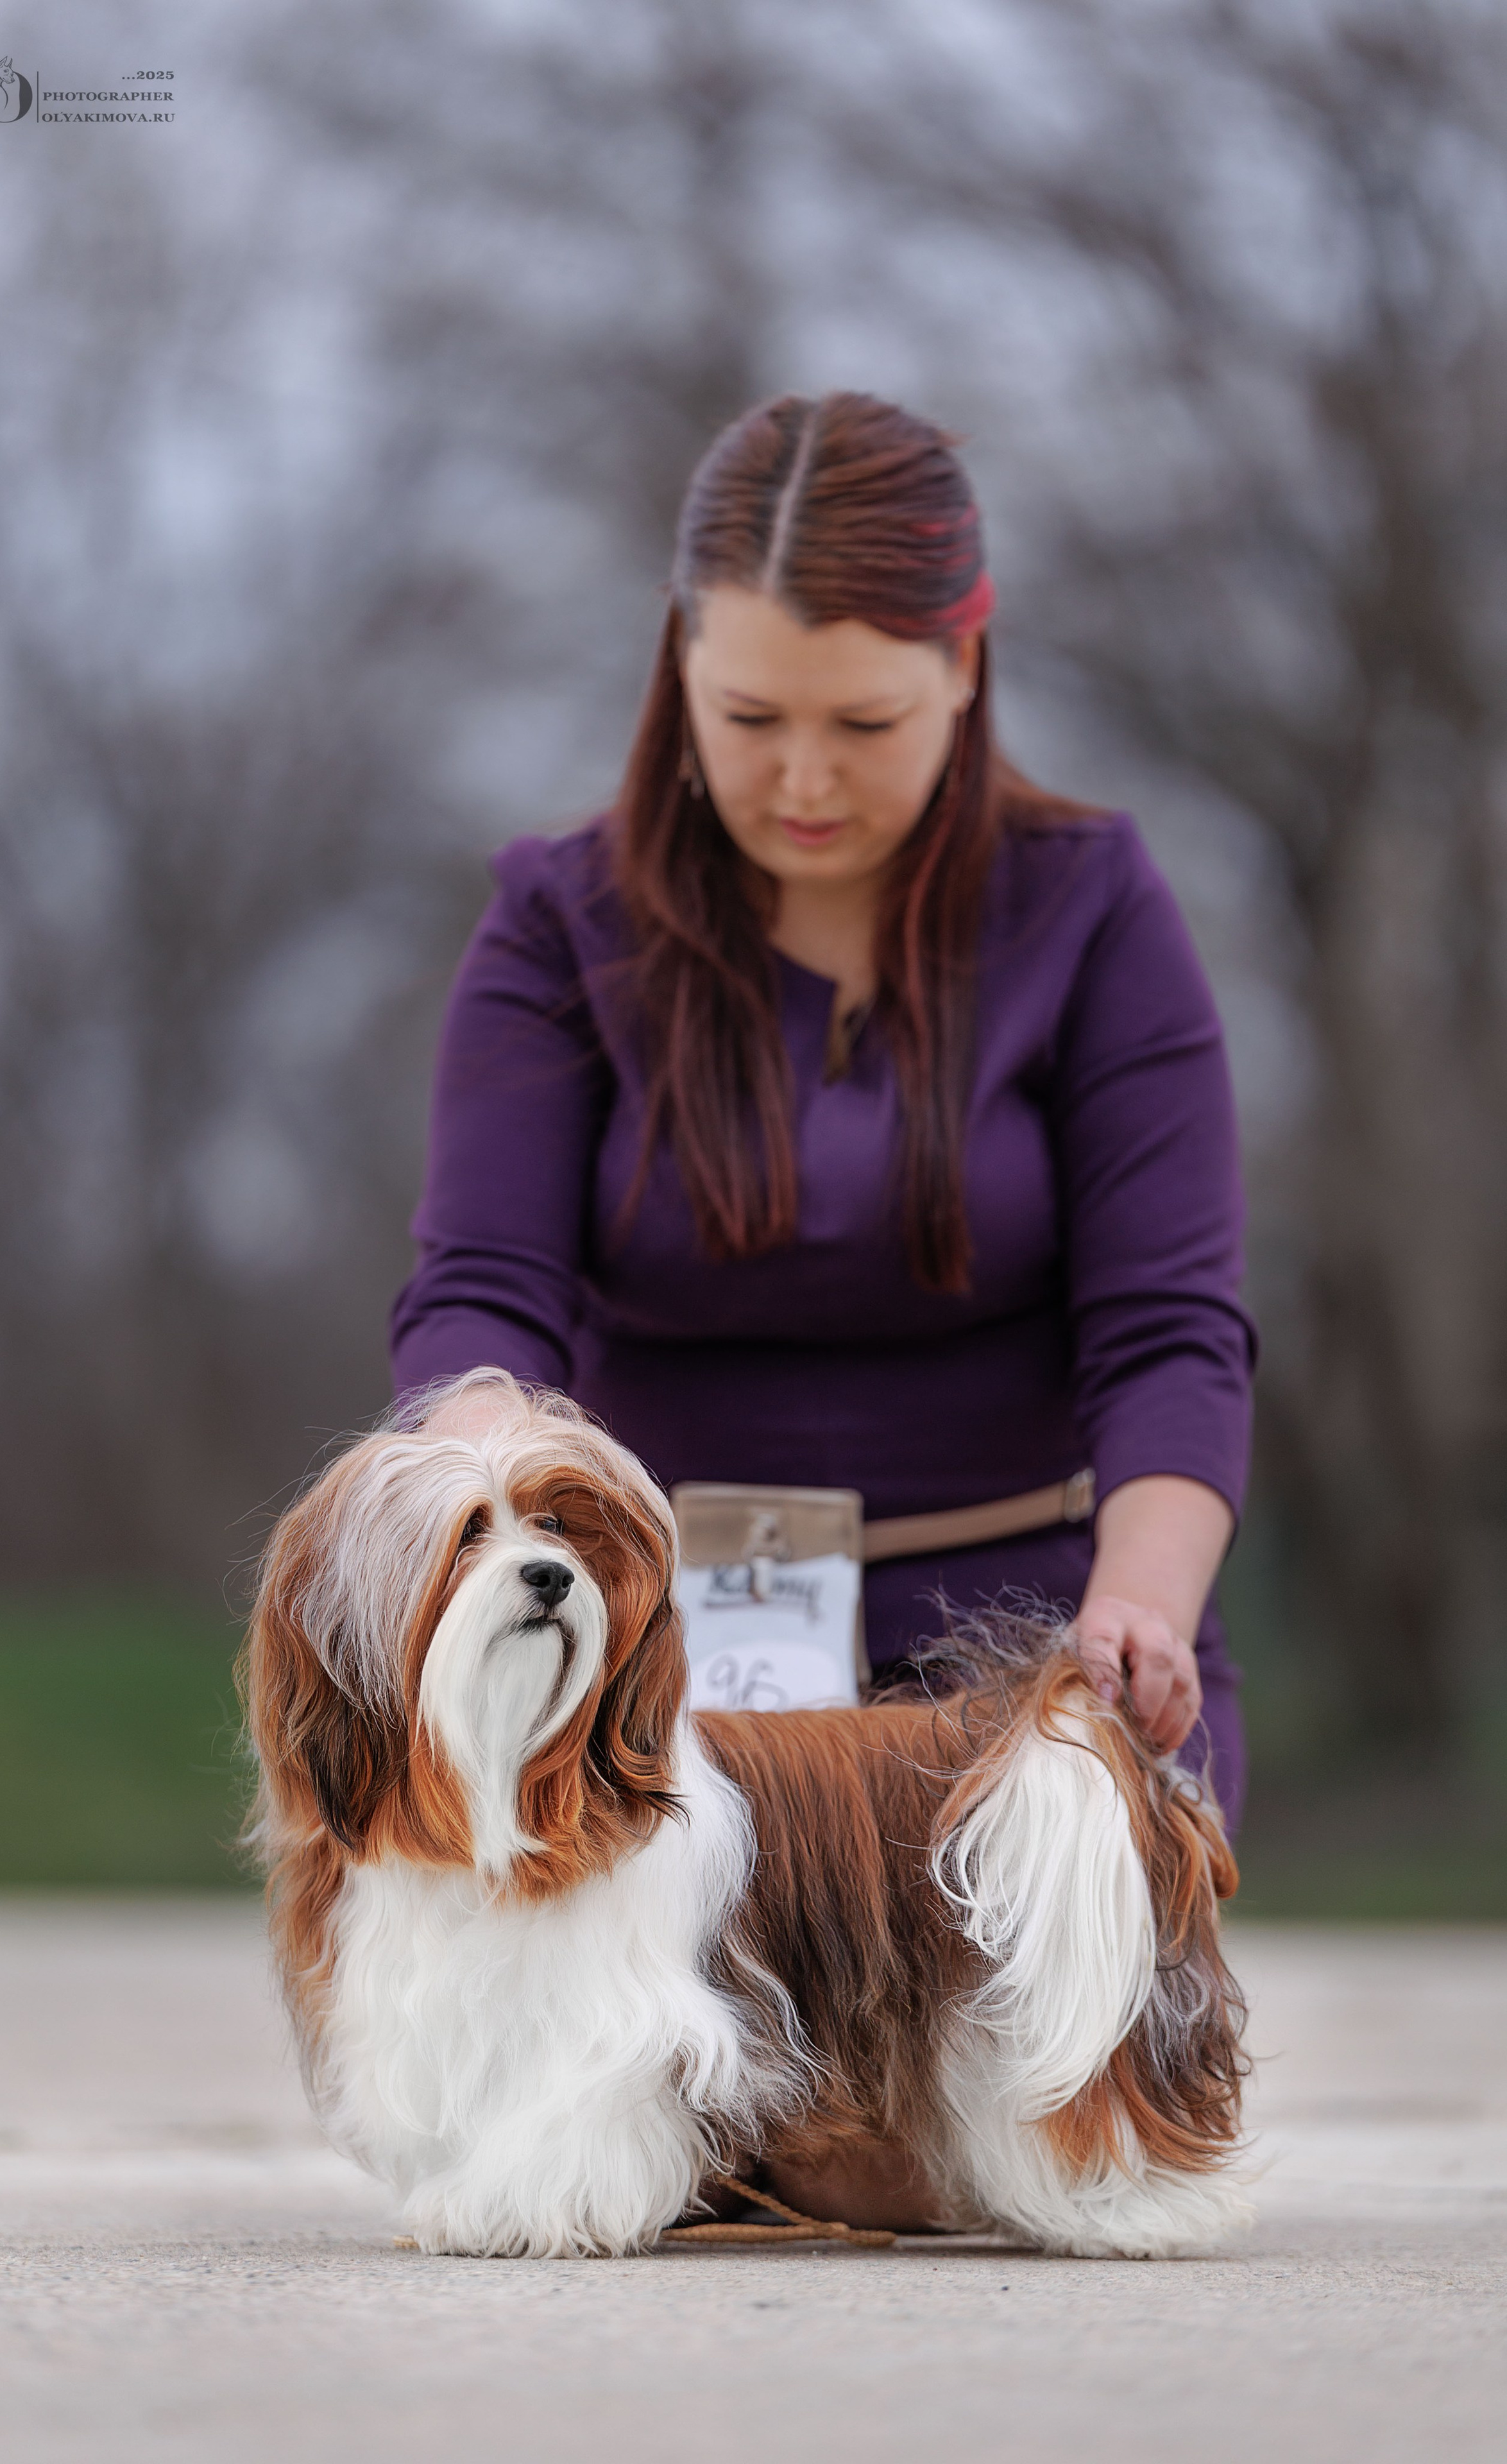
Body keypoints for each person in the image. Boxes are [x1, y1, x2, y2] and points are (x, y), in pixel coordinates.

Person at [389, 390, 1256, 1829]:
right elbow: (484, 1286)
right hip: (645, 1676)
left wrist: (1139, 1615)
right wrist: (481, 1475)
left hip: (1030, 1661)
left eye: (862, 721)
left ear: (963, 665)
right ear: (678, 661)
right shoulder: (557, 923)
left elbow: (1170, 1328)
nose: (801, 778)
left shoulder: (1094, 909)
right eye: (747, 718)